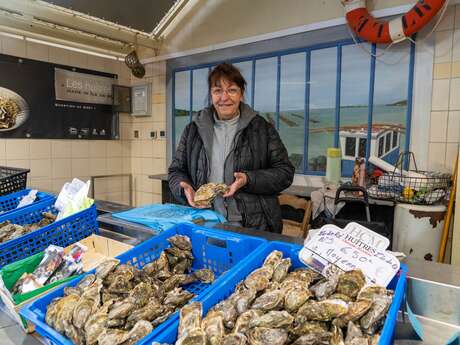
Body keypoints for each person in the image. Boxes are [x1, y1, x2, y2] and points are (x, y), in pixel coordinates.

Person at [168, 62, 295, 233]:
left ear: (241, 94)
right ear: (211, 94)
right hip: (206, 222)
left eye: (232, 90)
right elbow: (176, 170)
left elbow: (285, 172)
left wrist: (248, 179)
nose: (224, 97)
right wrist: (184, 187)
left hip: (252, 225)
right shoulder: (193, 130)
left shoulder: (262, 128)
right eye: (218, 90)